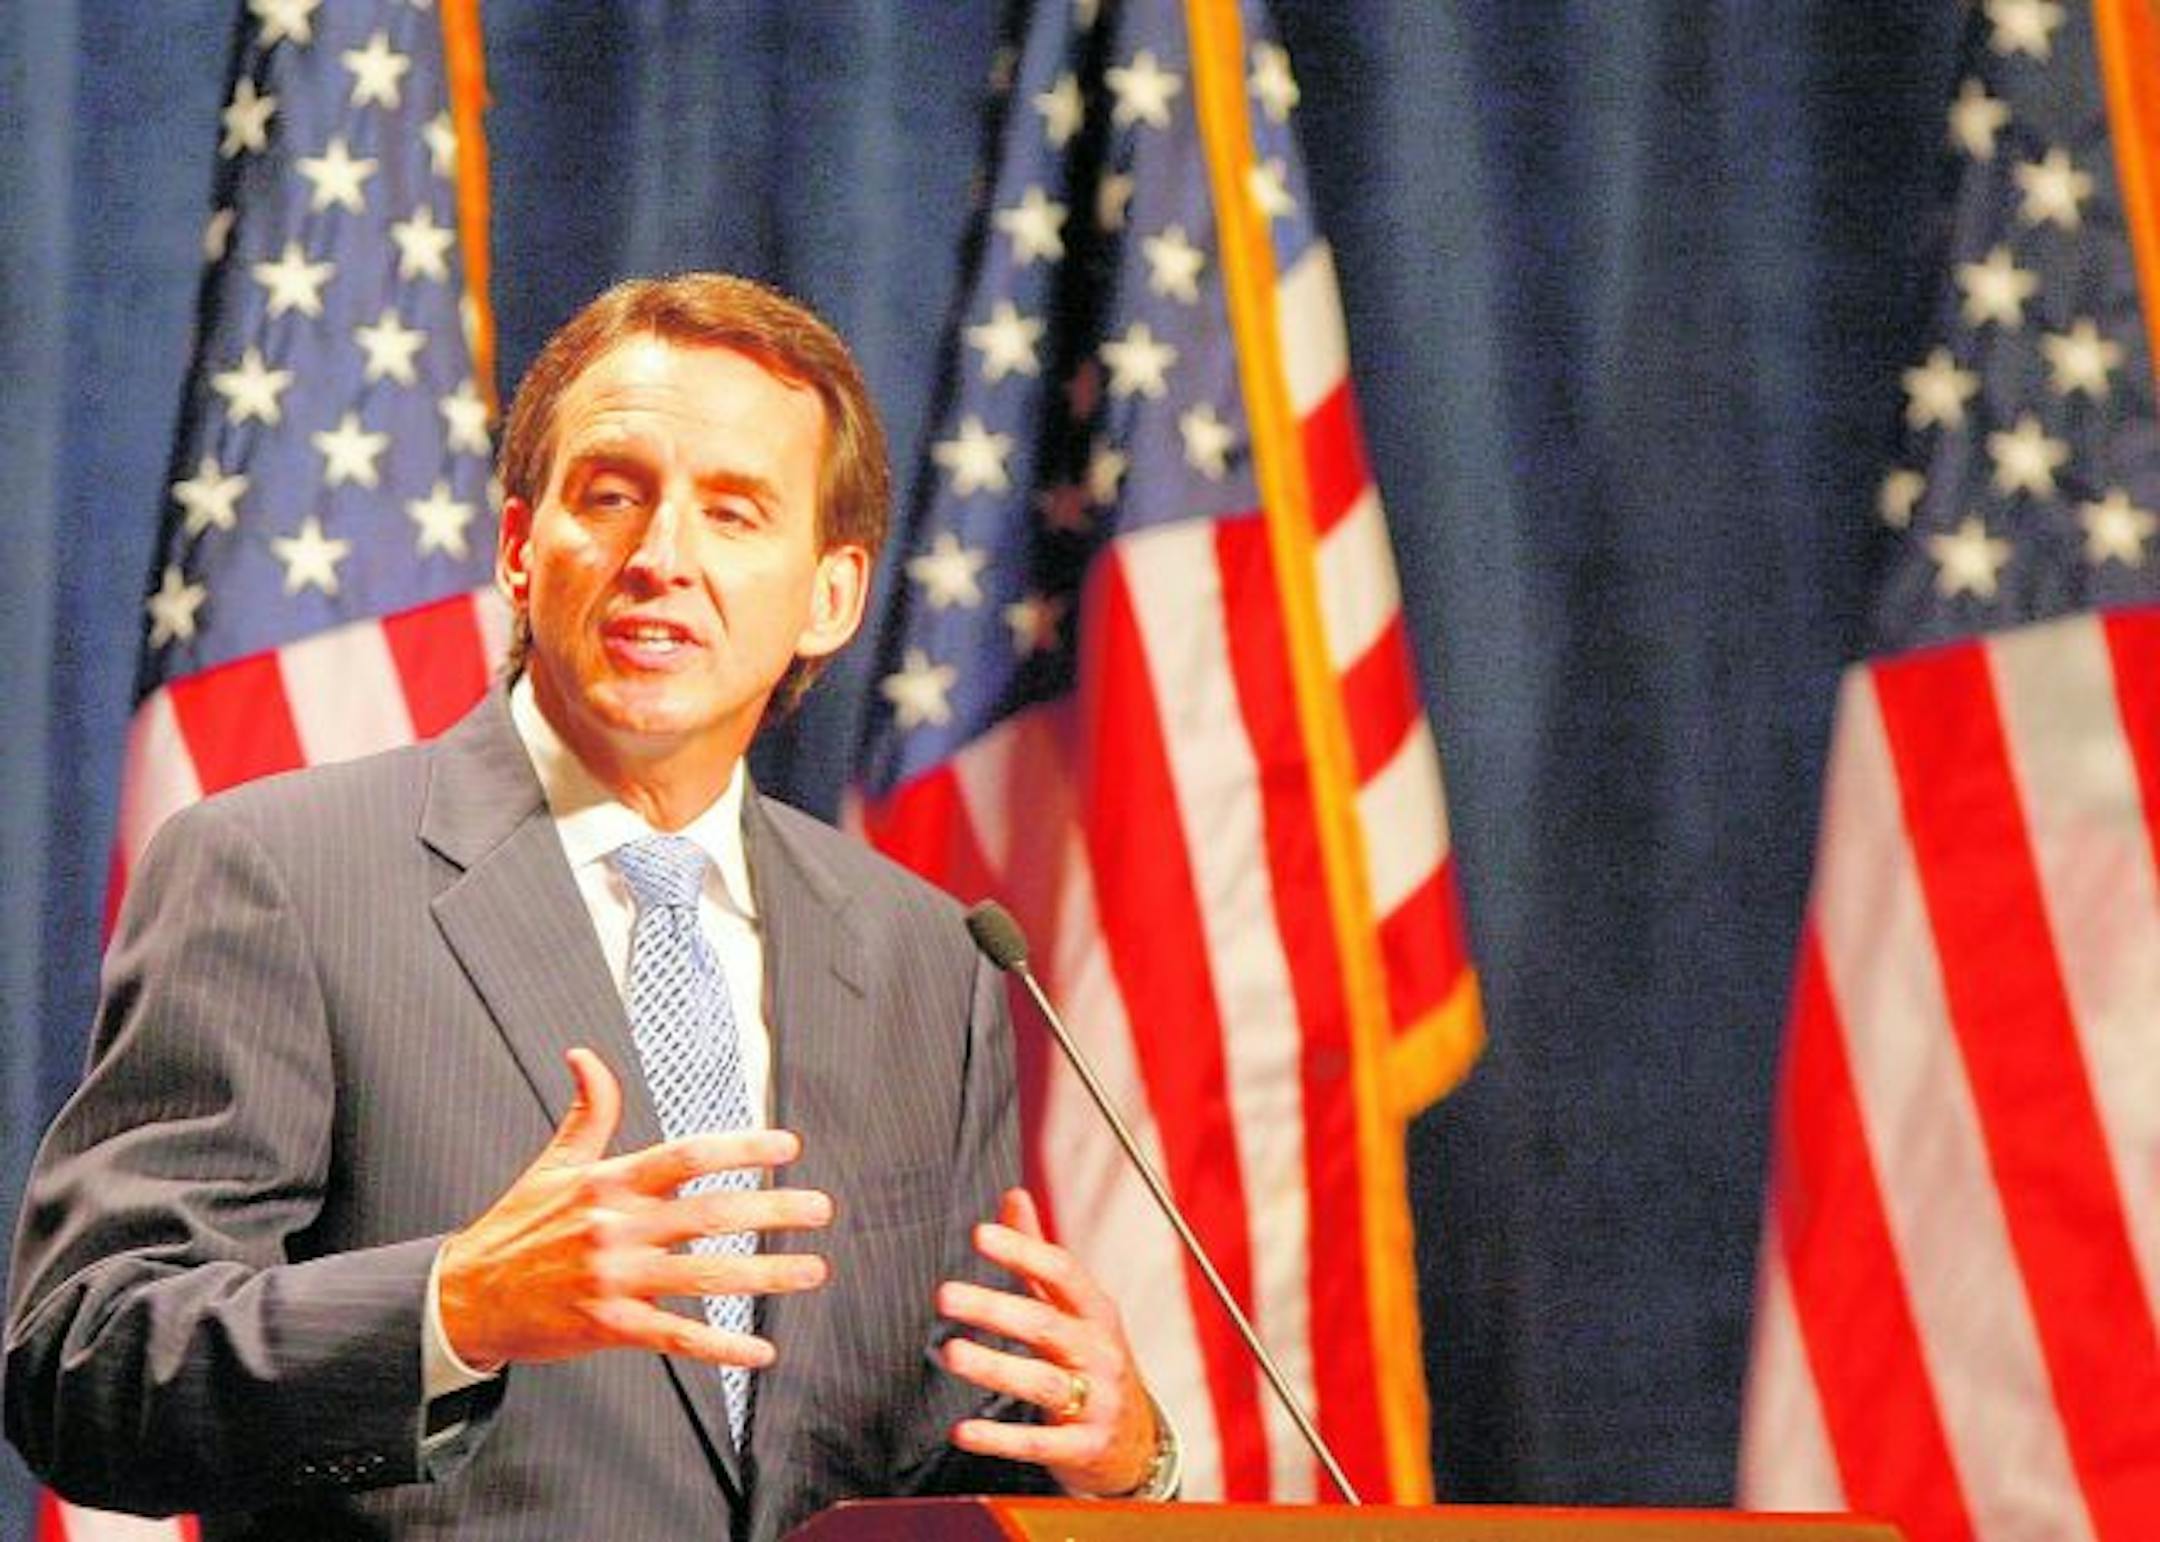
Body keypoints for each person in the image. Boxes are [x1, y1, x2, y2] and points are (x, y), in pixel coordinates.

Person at [4, 273, 1175, 1539]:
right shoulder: (279, 873)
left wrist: (1110, 1460)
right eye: (613, 495)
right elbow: (87, 1363)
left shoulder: (926, 962)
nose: (662, 558)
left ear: (829, 597)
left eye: (733, 513)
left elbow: (921, 1461)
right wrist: (455, 1308)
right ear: (520, 548)